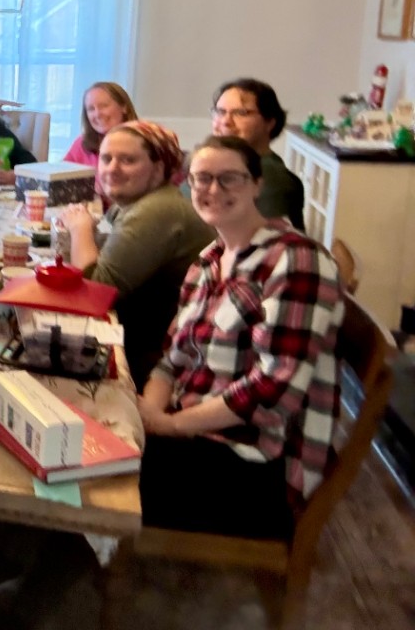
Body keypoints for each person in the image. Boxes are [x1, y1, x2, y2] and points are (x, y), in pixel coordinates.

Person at [138, 136, 344, 538]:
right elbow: (170, 360)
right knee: (89, 439)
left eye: (229, 179)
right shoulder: (209, 261)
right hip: (195, 434)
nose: (212, 190)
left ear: (257, 185)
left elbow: (274, 386)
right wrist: (149, 417)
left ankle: (41, 578)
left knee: (91, 472)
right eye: (201, 179)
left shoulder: (297, 260)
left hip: (255, 466)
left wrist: (170, 427)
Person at [60, 121, 214, 389]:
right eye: (106, 159)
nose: (112, 169)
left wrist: (79, 228)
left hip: (156, 363)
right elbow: (97, 249)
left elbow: (95, 290)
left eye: (128, 160)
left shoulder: (157, 210)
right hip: (136, 338)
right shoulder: (129, 203)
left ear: (159, 168)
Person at [201, 78, 305, 230]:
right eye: (220, 112)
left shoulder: (270, 176)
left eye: (241, 113)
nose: (225, 121)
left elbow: (265, 244)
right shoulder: (224, 166)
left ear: (270, 122)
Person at [63, 81, 137, 168]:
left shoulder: (143, 144)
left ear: (124, 107)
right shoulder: (82, 143)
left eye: (103, 106)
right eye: (91, 109)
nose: (97, 114)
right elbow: (59, 177)